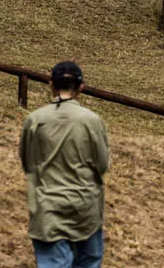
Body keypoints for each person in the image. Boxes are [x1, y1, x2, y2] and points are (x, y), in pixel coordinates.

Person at [20, 62, 110, 268]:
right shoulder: (92, 121)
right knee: (89, 260)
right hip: (85, 206)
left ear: (51, 84)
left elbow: (27, 162)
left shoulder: (35, 119)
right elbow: (102, 164)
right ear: (81, 87)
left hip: (48, 206)